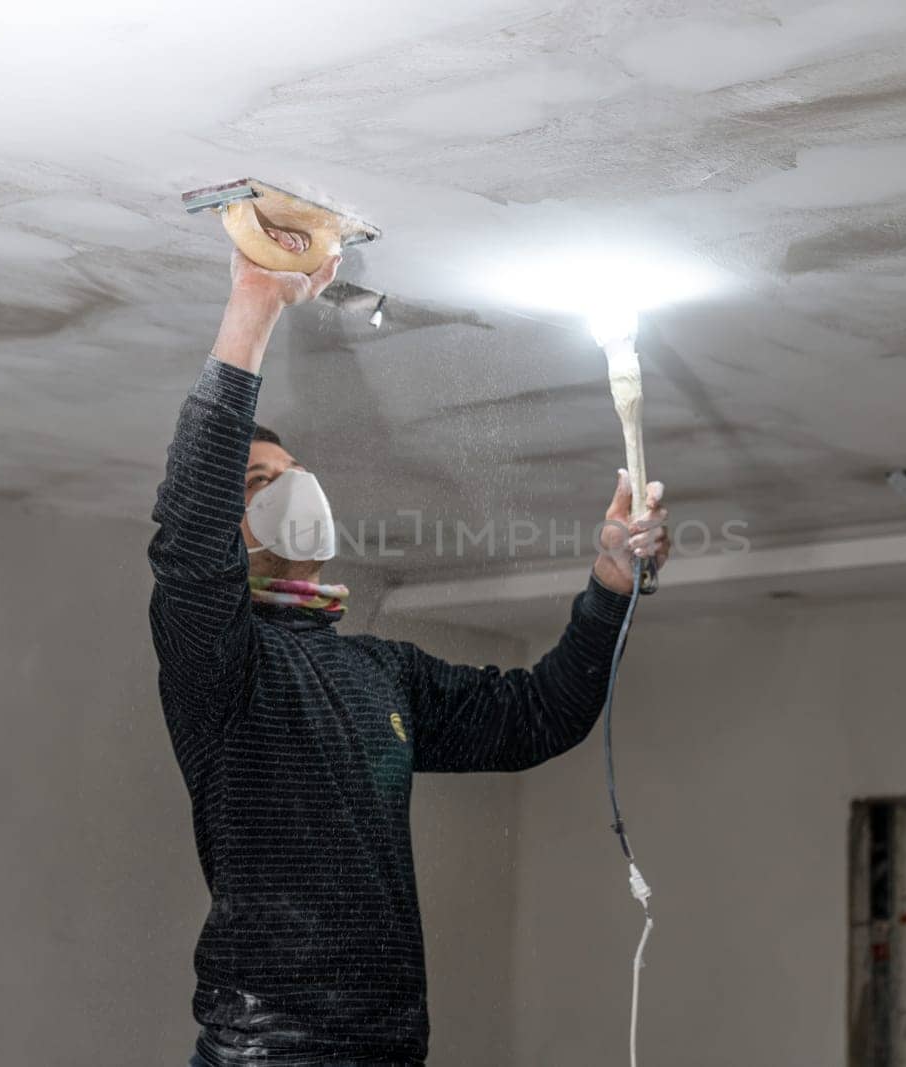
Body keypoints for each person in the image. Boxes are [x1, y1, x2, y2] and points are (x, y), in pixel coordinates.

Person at [149, 247, 670, 1066]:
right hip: (266, 1051)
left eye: (293, 471)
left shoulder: (381, 674)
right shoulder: (219, 665)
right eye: (257, 482)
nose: (294, 489)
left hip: (390, 1049)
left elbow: (540, 715)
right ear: (224, 526)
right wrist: (255, 303)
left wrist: (608, 583)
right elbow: (186, 534)